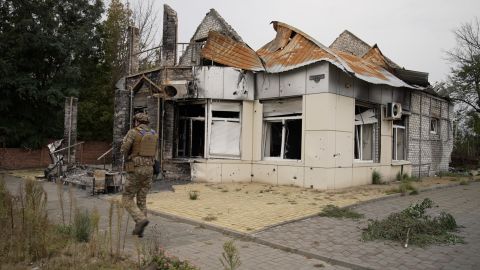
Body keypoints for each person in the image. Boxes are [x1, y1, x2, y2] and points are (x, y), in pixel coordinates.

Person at [120, 112, 158, 237]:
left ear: (136, 121)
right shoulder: (154, 134)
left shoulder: (133, 132)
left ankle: (140, 220)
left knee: (127, 198)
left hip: (136, 169)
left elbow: (124, 150)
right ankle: (139, 229)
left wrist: (127, 155)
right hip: (149, 169)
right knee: (142, 199)